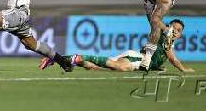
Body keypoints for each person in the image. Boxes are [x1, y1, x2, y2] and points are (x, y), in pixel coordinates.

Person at [40, 19, 194, 73]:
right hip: (136, 59)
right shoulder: (165, 37)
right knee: (120, 67)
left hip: (138, 58)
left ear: (181, 35)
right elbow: (173, 60)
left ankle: (58, 59)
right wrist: (184, 69)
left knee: (94, 67)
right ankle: (78, 57)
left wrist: (156, 66)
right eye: (173, 28)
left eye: (179, 31)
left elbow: (156, 53)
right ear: (168, 28)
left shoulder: (169, 43)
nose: (175, 32)